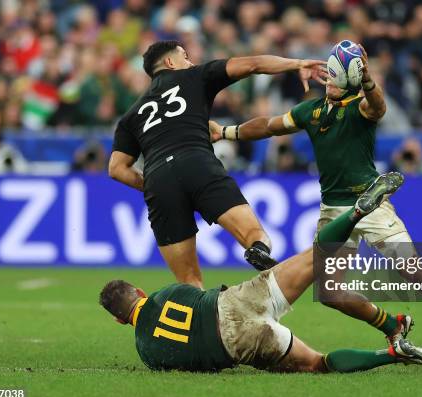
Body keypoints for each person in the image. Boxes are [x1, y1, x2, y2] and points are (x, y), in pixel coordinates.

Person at [209, 41, 422, 367]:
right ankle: (392, 324)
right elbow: (269, 126)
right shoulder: (311, 111)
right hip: (333, 211)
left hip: (370, 203)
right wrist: (227, 133)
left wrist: (369, 80)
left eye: (333, 77)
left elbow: (379, 107)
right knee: (330, 293)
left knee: (413, 271)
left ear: (349, 79)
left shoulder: (359, 108)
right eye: (327, 76)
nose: (326, 82)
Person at [99, 172, 422, 372]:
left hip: (239, 344)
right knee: (317, 255)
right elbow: (200, 295)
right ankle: (355, 213)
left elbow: (187, 361)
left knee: (318, 364)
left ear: (119, 320)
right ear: (140, 293)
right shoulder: (166, 294)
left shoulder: (146, 351)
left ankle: (394, 354)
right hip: (235, 301)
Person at [108, 40, 327, 287]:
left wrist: (151, 186)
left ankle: (201, 316)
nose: (190, 61)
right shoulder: (194, 76)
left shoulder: (131, 115)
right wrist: (297, 63)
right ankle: (256, 250)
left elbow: (116, 169)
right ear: (171, 62)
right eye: (185, 56)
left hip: (158, 178)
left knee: (188, 282)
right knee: (256, 236)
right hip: (197, 161)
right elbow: (253, 64)